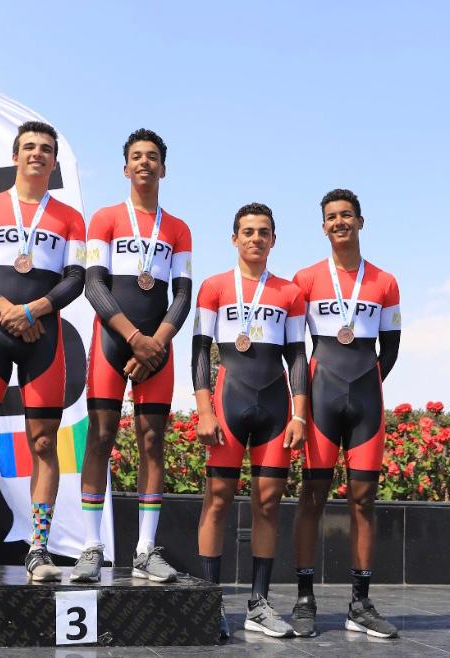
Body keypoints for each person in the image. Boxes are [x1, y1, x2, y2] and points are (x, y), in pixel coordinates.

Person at [0, 121, 86, 581]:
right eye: (29, 146)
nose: (37, 153)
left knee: (45, 442)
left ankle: (39, 549)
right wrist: (7, 309)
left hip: (41, 336)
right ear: (15, 156)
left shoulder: (69, 217)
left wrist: (33, 311)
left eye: (46, 148)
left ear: (54, 161)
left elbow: (76, 278)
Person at [71, 129, 192, 583]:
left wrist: (154, 343)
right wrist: (134, 338)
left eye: (152, 157)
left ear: (164, 169)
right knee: (100, 437)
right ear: (126, 168)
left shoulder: (178, 228)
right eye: (137, 156)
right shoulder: (105, 218)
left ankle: (144, 551)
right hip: (113, 339)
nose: (145, 162)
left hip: (158, 344)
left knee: (152, 441)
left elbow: (183, 295)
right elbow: (93, 285)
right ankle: (91, 548)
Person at [193, 203, 308, 640]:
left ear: (273, 240)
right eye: (248, 231)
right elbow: (199, 350)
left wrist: (299, 414)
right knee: (217, 500)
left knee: (268, 503)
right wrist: (205, 410)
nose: (255, 238)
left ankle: (259, 605)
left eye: (263, 232)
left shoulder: (289, 293)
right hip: (228, 403)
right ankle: (209, 603)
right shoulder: (214, 287)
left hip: (276, 408)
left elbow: (297, 356)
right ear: (234, 238)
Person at [290, 188, 401, 638]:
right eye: (332, 216)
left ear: (360, 221)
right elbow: (295, 349)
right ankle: (304, 599)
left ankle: (360, 603)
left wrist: (365, 385)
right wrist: (306, 400)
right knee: (311, 497)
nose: (340, 222)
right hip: (321, 398)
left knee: (364, 500)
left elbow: (390, 350)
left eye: (347, 215)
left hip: (366, 402)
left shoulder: (385, 282)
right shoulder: (305, 278)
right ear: (323, 227)